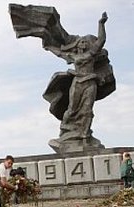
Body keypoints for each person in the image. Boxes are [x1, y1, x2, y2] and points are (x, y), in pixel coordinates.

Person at [44, 12, 111, 151]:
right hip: (78, 83)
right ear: (77, 45)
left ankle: (85, 136)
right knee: (72, 109)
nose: (83, 43)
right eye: (81, 41)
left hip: (90, 83)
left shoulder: (91, 54)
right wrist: (48, 46)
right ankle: (65, 133)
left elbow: (101, 40)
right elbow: (59, 53)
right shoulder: (73, 56)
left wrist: (101, 24)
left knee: (87, 110)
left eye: (85, 42)